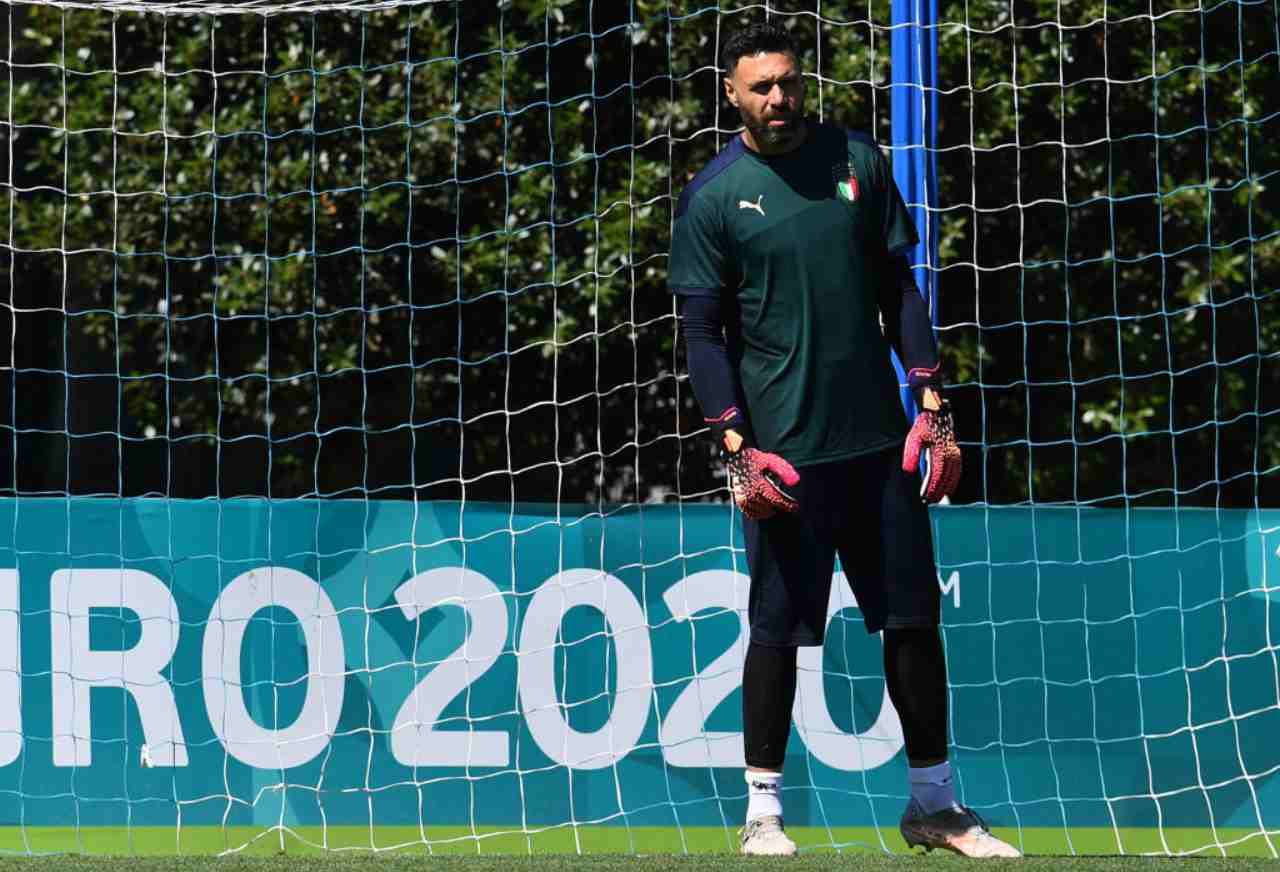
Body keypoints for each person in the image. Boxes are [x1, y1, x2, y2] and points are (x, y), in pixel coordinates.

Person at [667, 22, 1021, 859]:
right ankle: (763, 812)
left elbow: (899, 288)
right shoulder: (713, 195)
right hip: (783, 455)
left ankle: (934, 806)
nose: (779, 99)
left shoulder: (857, 161)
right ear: (732, 94)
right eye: (761, 87)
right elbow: (702, 335)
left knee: (912, 622)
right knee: (776, 633)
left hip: (879, 447)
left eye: (789, 82)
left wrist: (931, 402)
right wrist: (734, 448)